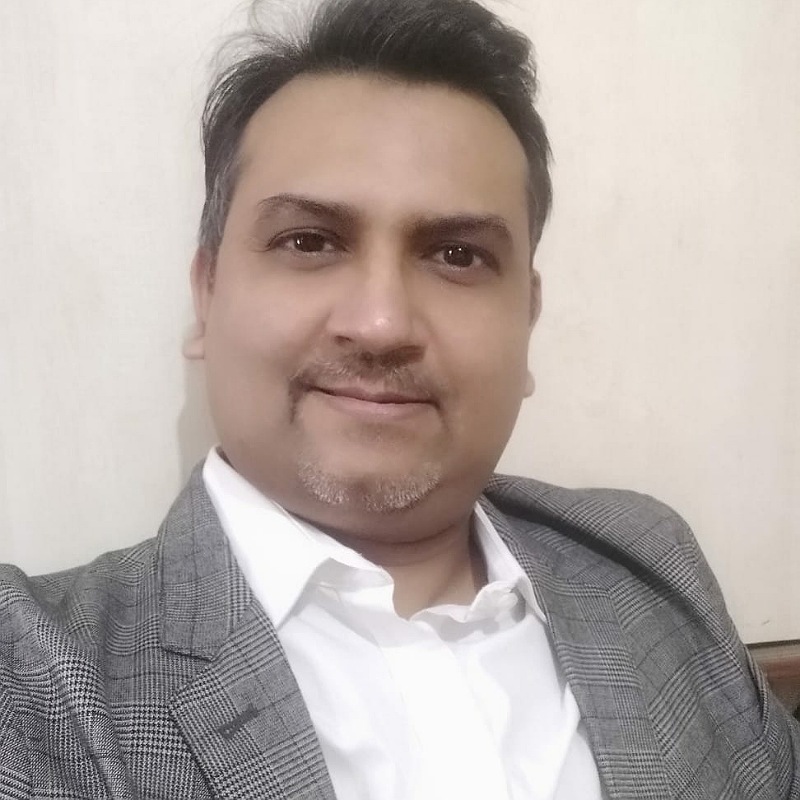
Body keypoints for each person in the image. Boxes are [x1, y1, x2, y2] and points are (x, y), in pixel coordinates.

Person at [0, 0, 797, 797]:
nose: (381, 324)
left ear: (527, 318)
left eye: (457, 255)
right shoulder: (38, 678)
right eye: (309, 241)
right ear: (207, 295)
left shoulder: (649, 565)